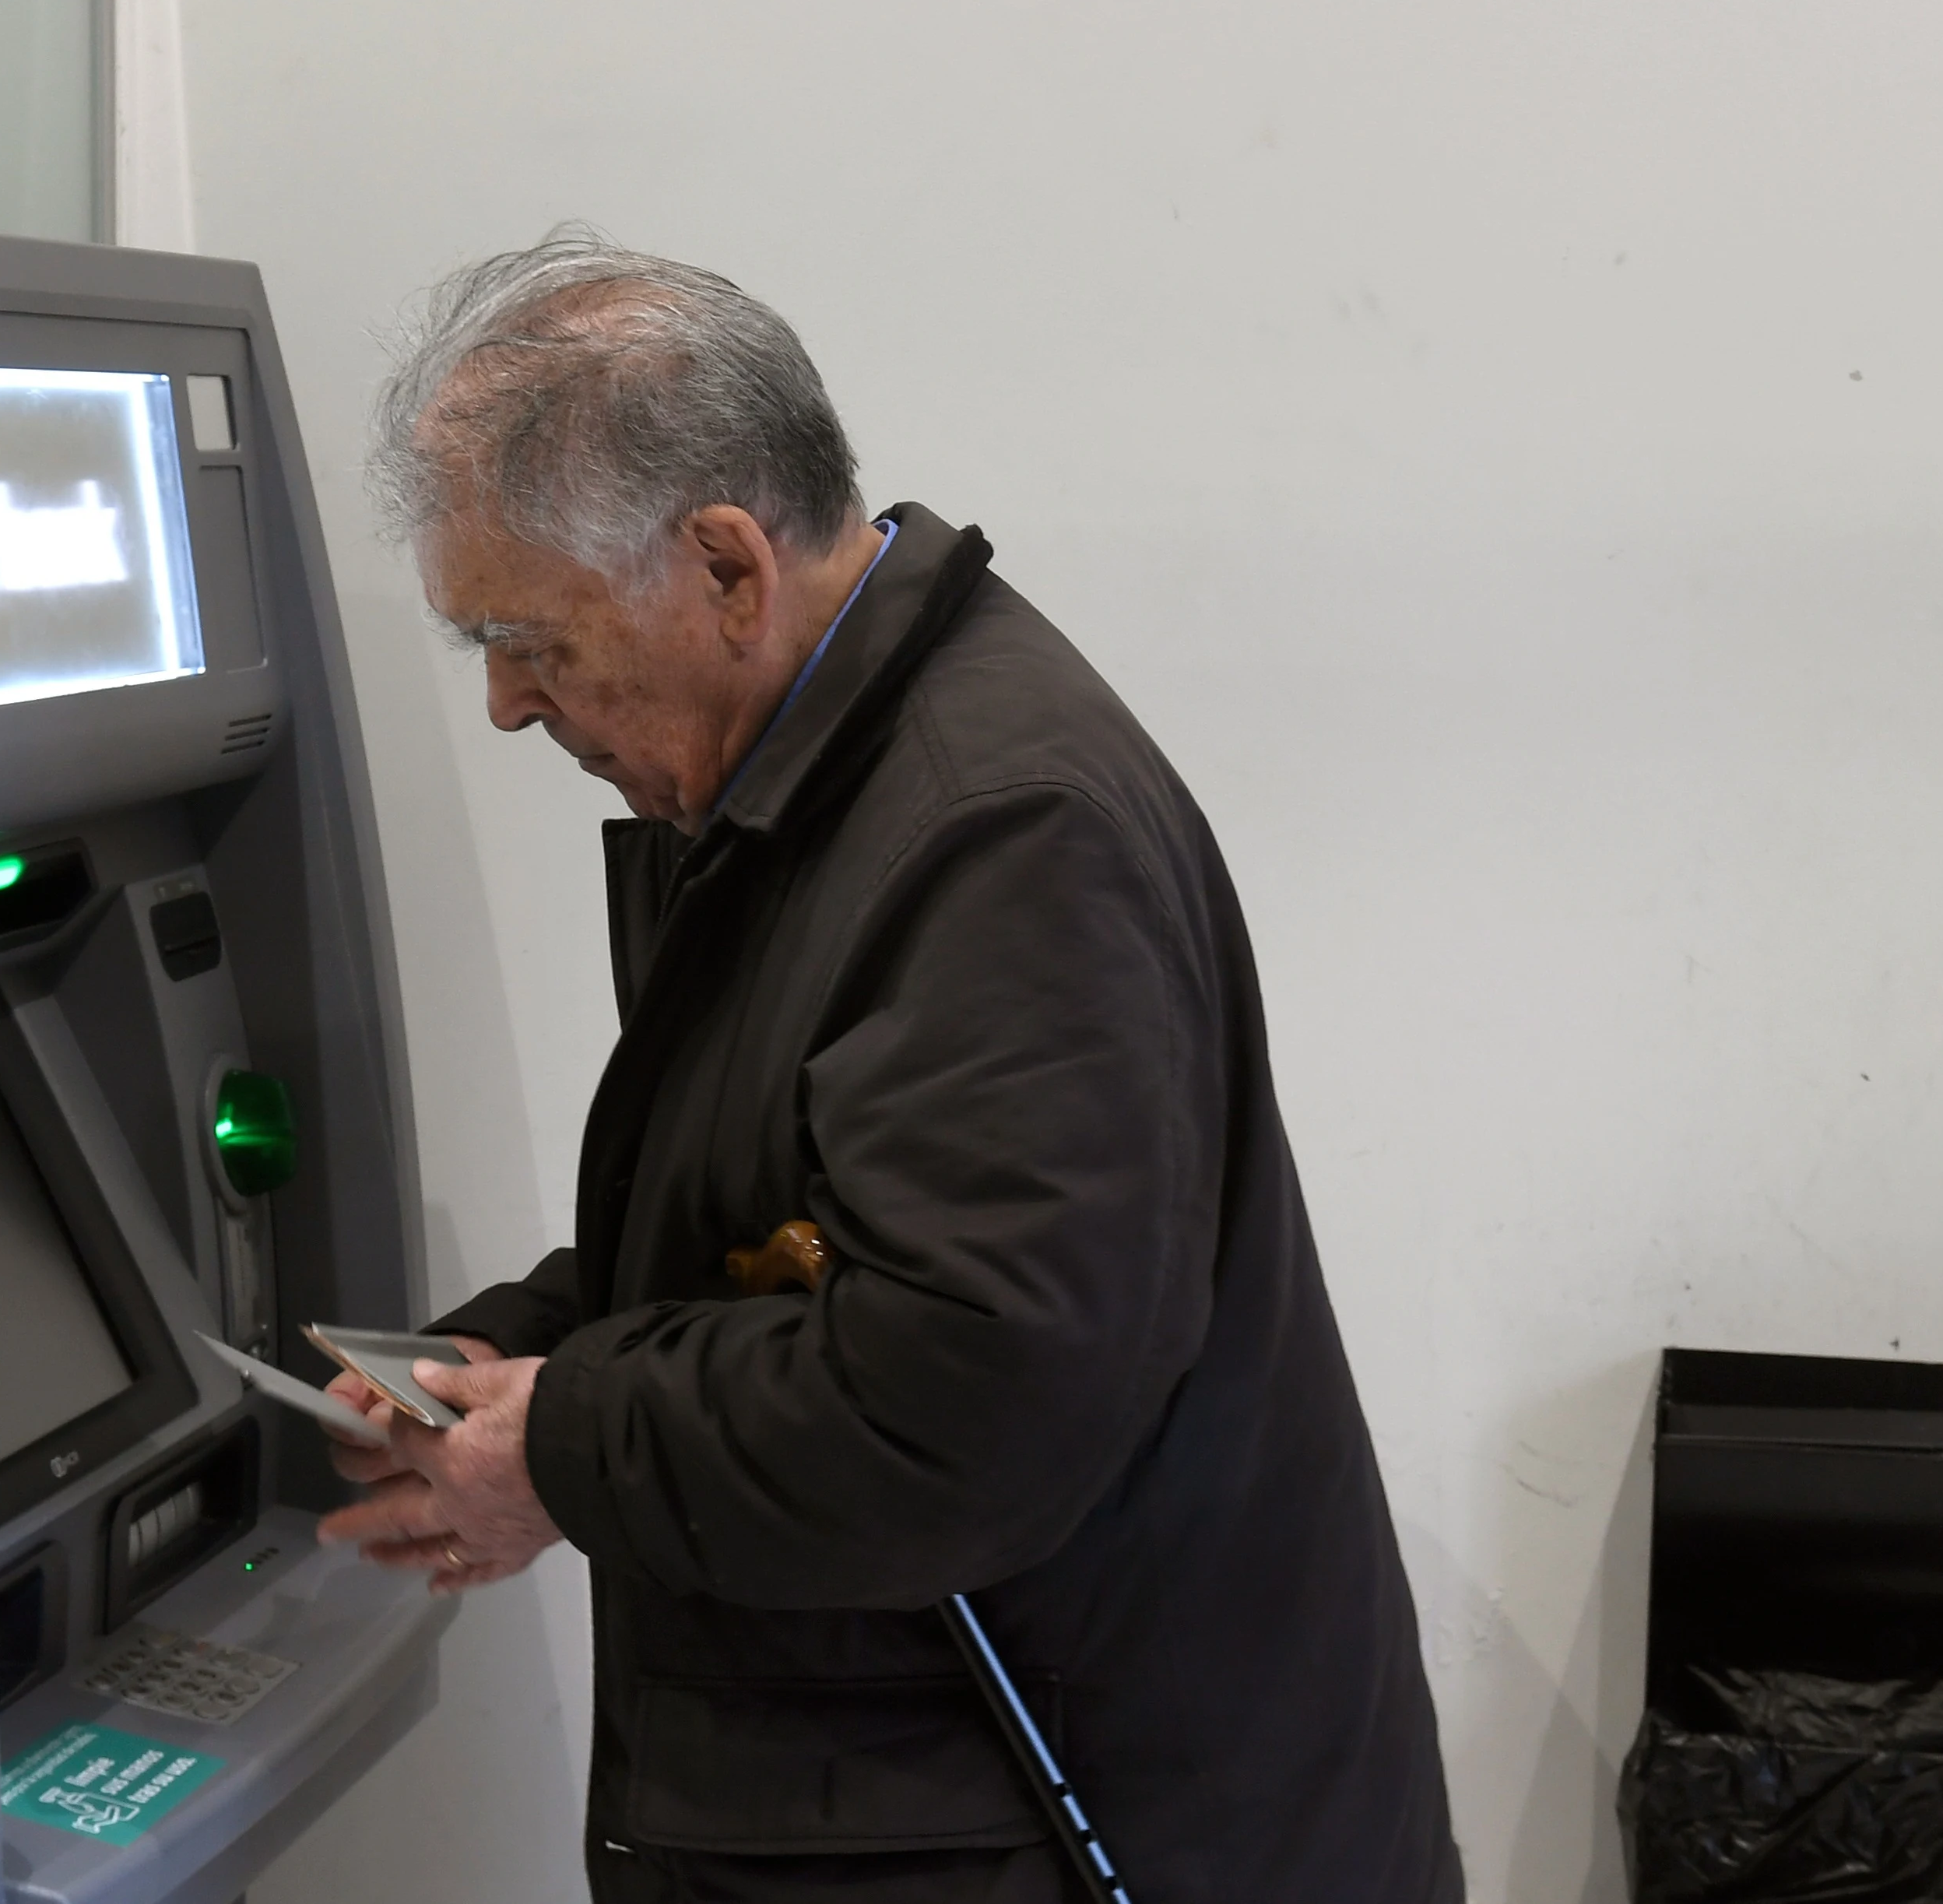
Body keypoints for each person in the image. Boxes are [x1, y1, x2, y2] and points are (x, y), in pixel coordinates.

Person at [311, 228, 1463, 1902]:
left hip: (1072, 1830)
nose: (503, 703)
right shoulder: (834, 778)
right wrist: (524, 1356)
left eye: (530, 636)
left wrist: (566, 1448)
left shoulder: (999, 833)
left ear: (722, 566)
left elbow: (971, 1398)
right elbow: (796, 1221)